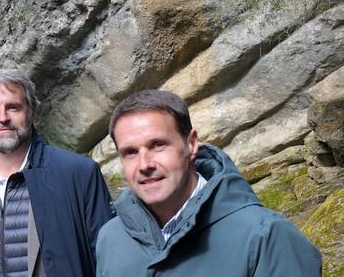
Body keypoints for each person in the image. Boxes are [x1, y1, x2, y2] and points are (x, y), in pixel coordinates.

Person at [95, 89, 321, 276]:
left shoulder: (265, 235)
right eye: (130, 152)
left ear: (191, 145)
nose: (144, 164)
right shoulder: (110, 239)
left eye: (158, 145)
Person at [0, 68, 113, 277]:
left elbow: (108, 259)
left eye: (13, 107)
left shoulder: (79, 174)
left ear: (31, 112)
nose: (3, 117)